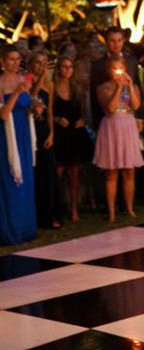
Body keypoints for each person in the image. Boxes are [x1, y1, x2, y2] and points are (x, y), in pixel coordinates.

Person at [93, 55, 144, 221]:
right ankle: (112, 211)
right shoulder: (103, 88)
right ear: (110, 70)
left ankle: (129, 208)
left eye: (120, 68)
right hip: (111, 128)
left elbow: (136, 106)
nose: (118, 72)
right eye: (114, 68)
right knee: (111, 172)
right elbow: (111, 107)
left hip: (128, 127)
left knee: (129, 170)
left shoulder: (132, 86)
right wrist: (118, 88)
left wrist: (128, 86)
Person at [0, 46, 37, 245]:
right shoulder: (1, 82)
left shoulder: (24, 80)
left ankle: (26, 227)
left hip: (23, 133)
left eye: (18, 59)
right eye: (11, 59)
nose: (15, 63)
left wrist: (35, 105)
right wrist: (15, 92)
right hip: (8, 136)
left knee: (26, 178)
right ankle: (10, 229)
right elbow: (3, 113)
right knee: (11, 178)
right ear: (3, 61)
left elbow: (28, 104)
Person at [28, 50, 63, 229]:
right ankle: (36, 216)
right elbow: (31, 99)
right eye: (37, 63)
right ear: (31, 64)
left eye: (44, 63)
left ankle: (52, 215)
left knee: (49, 172)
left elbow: (49, 111)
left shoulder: (50, 85)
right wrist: (40, 79)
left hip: (44, 130)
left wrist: (52, 133)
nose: (41, 66)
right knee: (35, 173)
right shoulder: (26, 81)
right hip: (29, 129)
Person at [52, 55, 89, 221]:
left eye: (70, 67)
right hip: (59, 134)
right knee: (57, 172)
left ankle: (74, 209)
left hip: (74, 133)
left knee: (74, 172)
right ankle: (56, 210)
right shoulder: (52, 87)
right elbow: (47, 112)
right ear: (59, 69)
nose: (67, 70)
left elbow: (82, 113)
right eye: (64, 66)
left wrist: (83, 121)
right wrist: (57, 119)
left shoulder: (77, 88)